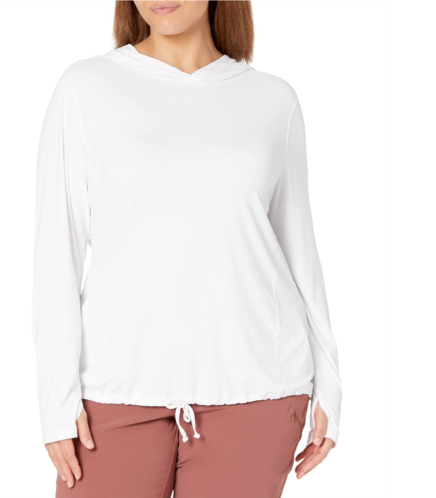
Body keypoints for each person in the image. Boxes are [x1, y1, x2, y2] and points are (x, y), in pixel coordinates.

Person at [33, 1, 342, 497]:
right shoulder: (85, 88)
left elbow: (299, 250)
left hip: (256, 391)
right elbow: (56, 255)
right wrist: (55, 400)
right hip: (112, 393)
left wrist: (330, 381)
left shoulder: (272, 100)